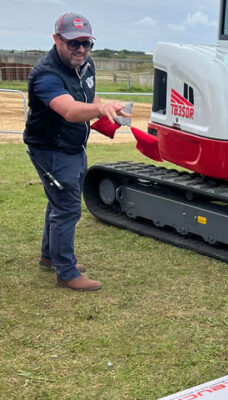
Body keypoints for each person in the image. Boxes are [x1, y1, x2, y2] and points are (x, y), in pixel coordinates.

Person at [23, 12, 130, 291]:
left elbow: (90, 98)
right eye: (74, 43)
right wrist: (98, 108)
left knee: (58, 202)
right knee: (67, 207)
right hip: (51, 149)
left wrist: (106, 111)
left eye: (87, 43)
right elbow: (70, 110)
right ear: (57, 39)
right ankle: (66, 272)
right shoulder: (46, 75)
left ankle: (51, 256)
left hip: (73, 146)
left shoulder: (86, 64)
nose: (81, 49)